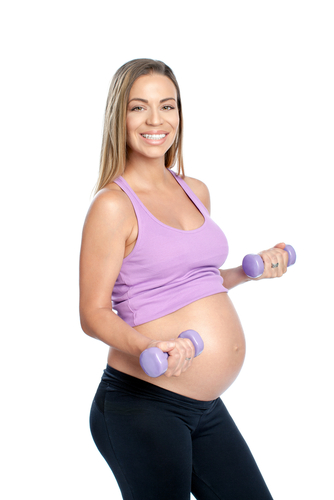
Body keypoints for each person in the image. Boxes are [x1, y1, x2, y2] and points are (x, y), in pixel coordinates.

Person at [80, 58, 289, 500]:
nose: (156, 120)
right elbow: (92, 313)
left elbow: (194, 280)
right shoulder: (112, 206)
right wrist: (145, 347)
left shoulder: (195, 189)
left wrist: (251, 272)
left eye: (167, 106)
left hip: (203, 406)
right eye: (139, 108)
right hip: (142, 402)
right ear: (120, 117)